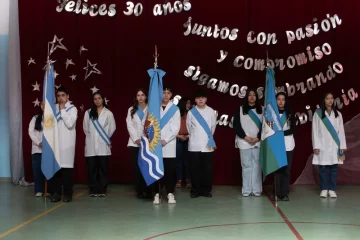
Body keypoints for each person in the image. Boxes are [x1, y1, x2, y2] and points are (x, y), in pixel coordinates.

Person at [312, 93, 346, 198]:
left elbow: (341, 131)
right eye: (327, 98)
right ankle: (323, 189)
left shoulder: (338, 114)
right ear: (324, 100)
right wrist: (315, 145)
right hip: (322, 144)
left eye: (331, 98)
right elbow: (315, 130)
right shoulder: (317, 114)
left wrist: (342, 146)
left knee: (334, 168)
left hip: (335, 145)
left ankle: (332, 189)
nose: (330, 101)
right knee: (322, 167)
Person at [83, 91, 116, 197]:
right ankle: (93, 189)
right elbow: (85, 128)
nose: (97, 100)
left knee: (103, 168)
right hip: (91, 144)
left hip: (103, 144)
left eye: (99, 98)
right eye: (95, 99)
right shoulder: (88, 113)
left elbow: (112, 128)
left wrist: (104, 138)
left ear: (103, 99)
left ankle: (102, 189)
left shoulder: (108, 113)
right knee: (92, 168)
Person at [49, 86, 78, 202]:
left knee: (66, 171)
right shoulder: (53, 109)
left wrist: (62, 110)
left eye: (63, 95)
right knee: (55, 171)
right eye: (58, 96)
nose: (60, 98)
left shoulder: (72, 109)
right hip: (55, 144)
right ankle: (56, 193)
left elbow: (70, 123)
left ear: (68, 96)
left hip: (67, 145)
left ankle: (67, 194)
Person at [152, 85, 180, 204]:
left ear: (171, 95)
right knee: (155, 170)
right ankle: (156, 194)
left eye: (168, 92)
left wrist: (165, 139)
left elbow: (175, 127)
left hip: (169, 144)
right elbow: (150, 124)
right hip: (155, 143)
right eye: (164, 92)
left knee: (169, 170)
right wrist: (155, 139)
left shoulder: (175, 109)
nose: (166, 94)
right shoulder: (154, 107)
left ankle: (170, 193)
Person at [187, 89, 217, 198]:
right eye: (198, 98)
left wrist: (208, 137)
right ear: (195, 100)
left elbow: (213, 127)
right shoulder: (191, 112)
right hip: (194, 144)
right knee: (194, 169)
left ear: (206, 99)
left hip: (207, 144)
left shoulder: (211, 111)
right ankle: (195, 190)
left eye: (202, 97)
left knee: (207, 169)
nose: (200, 99)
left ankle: (206, 190)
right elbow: (188, 127)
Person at [233, 88, 263, 197]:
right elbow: (236, 125)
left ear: (257, 97)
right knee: (246, 165)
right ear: (246, 97)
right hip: (244, 141)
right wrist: (245, 137)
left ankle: (256, 190)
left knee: (257, 166)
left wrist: (258, 137)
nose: (251, 97)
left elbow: (266, 127)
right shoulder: (240, 109)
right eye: (249, 95)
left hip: (257, 142)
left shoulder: (262, 110)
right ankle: (246, 190)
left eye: (253, 95)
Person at [273, 92, 299, 201]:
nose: (280, 102)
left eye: (283, 99)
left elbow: (293, 129)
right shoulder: (272, 114)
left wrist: (280, 133)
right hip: (276, 145)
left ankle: (284, 192)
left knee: (286, 170)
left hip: (288, 145)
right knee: (277, 169)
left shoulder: (291, 114)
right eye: (278, 99)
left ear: (286, 101)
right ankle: (277, 192)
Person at [126, 88, 152, 199]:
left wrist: (148, 137)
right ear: (136, 97)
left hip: (148, 142)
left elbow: (154, 124)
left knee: (147, 167)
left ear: (146, 96)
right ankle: (139, 190)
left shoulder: (151, 108)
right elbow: (129, 125)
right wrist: (136, 139)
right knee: (137, 167)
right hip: (135, 143)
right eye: (138, 95)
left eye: (142, 95)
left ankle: (149, 190)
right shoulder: (131, 109)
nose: (140, 97)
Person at [28, 101, 45, 197]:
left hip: (49, 150)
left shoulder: (52, 119)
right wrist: (39, 142)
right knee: (37, 170)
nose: (44, 106)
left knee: (48, 170)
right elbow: (31, 132)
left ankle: (49, 189)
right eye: (43, 104)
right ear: (41, 106)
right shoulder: (35, 118)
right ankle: (39, 190)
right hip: (37, 149)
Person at [176, 97, 192, 188]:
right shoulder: (176, 114)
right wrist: (178, 135)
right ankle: (179, 179)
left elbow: (194, 127)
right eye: (187, 103)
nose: (189, 105)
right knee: (178, 160)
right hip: (178, 139)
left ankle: (188, 179)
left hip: (189, 139)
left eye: (190, 103)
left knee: (187, 161)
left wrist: (188, 136)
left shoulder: (192, 114)